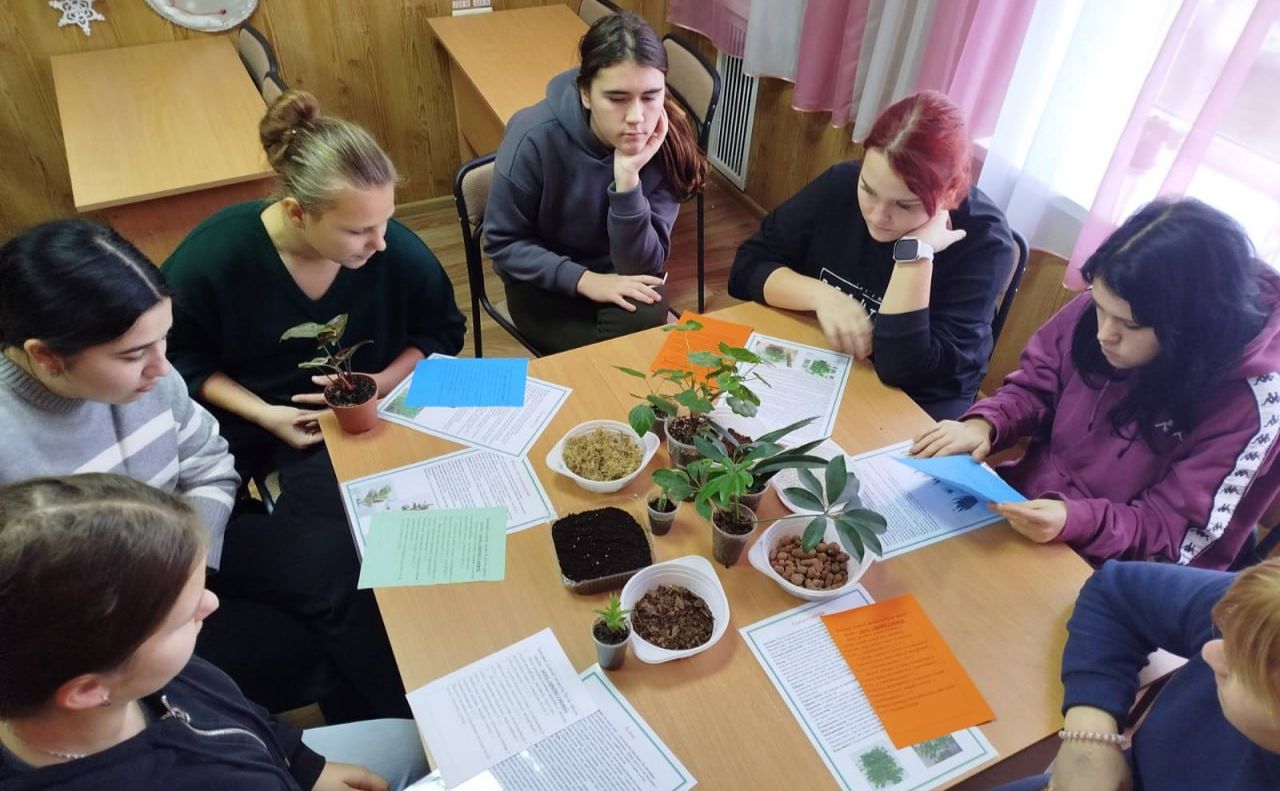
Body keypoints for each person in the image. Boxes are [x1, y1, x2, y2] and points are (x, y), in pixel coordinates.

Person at [0, 219, 410, 722]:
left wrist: (194, 559)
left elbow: (209, 463)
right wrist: (162, 595)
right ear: (46, 356)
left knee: (344, 567)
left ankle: (408, 730)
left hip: (190, 544)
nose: (163, 368)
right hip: (102, 610)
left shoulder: (156, 378)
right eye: (133, 354)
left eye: (163, 341)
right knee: (296, 649)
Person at [911, 199, 1280, 569]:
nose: (1105, 334)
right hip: (1028, 511)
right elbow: (1037, 387)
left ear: (1191, 328)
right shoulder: (1117, 298)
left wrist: (1077, 521)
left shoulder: (1250, 399)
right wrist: (987, 423)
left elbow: (1172, 535)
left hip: (1116, 572)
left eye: (1129, 325)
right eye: (1100, 307)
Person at [0, 473, 428, 790]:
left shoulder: (145, 667)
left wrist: (304, 764)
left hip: (276, 763)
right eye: (182, 614)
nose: (212, 604)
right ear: (88, 690)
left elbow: (234, 708)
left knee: (414, 742)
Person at [162, 88, 465, 488]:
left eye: (386, 220)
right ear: (296, 212)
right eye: (357, 231)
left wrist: (383, 381)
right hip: (257, 426)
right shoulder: (210, 260)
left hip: (367, 423)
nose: (380, 243)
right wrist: (265, 414)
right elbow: (181, 359)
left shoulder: (399, 255)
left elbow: (442, 330)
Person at [727, 90, 1015, 420]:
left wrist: (916, 253)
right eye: (868, 189)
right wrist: (823, 296)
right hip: (835, 364)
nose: (878, 216)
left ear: (949, 195)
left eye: (905, 205)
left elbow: (900, 367)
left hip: (919, 398)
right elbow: (747, 266)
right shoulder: (841, 184)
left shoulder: (984, 243)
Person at [483, 11, 708, 353]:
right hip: (544, 288)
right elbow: (503, 243)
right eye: (617, 98)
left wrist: (628, 179)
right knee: (634, 359)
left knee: (646, 321)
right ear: (586, 93)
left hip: (618, 280)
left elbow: (644, 268)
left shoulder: (667, 142)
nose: (637, 118)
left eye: (651, 96)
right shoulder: (533, 137)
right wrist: (586, 281)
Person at [993, 558, 1280, 791]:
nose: (1210, 652)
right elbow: (1114, 593)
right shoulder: (1263, 612)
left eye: (1246, 666)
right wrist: (1091, 735)